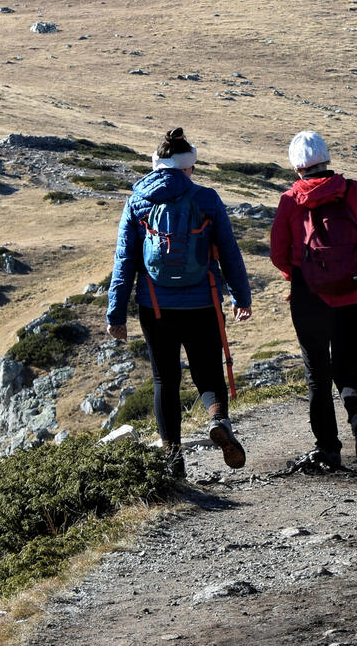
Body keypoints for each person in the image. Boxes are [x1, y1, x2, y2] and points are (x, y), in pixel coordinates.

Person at [106, 127, 253, 478]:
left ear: (156, 165)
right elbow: (230, 253)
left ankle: (174, 464)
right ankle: (217, 419)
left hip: (155, 306)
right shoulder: (207, 199)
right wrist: (241, 297)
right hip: (202, 302)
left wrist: (116, 313)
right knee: (208, 371)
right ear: (188, 167)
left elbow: (125, 261)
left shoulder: (137, 201)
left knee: (165, 381)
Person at [270, 129, 357, 470]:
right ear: (326, 159)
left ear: (297, 168)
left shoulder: (290, 200)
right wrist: (352, 273)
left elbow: (278, 253)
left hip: (310, 297)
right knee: (347, 367)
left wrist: (306, 278)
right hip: (353, 293)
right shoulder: (355, 191)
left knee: (317, 376)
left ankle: (329, 450)